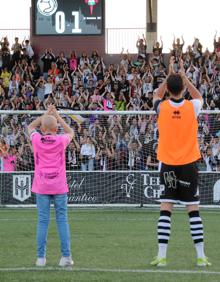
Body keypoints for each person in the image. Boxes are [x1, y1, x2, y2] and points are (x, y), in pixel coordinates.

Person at [150, 57, 211, 267]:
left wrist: (168, 77)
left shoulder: (162, 108)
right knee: (193, 209)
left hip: (167, 164)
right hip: (188, 164)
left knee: (166, 209)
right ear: (183, 88)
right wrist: (185, 77)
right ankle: (201, 256)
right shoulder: (192, 106)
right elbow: (199, 95)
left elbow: (155, 95)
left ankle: (162, 256)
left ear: (168, 88)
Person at [27, 105, 74, 267]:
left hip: (41, 186)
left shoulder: (36, 139)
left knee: (42, 221)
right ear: (56, 128)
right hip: (59, 185)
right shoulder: (61, 140)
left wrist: (46, 114)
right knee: (62, 220)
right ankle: (66, 257)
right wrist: (58, 116)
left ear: (42, 128)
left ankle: (40, 258)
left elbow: (30, 126)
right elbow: (71, 132)